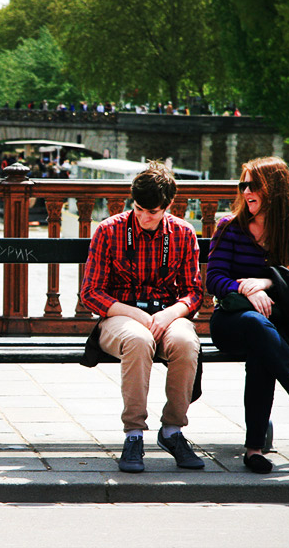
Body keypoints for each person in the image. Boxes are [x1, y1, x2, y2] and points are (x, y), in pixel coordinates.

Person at [207, 157, 289, 474]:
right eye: (243, 185)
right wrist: (246, 289)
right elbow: (213, 278)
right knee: (255, 324)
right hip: (230, 322)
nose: (247, 191)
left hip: (274, 329)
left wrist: (268, 281)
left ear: (275, 189)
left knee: (262, 348)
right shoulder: (230, 227)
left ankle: (254, 449)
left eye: (253, 185)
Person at [81, 161, 205, 473]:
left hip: (165, 314)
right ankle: (134, 433)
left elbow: (193, 292)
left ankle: (172, 431)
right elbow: (91, 292)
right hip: (120, 316)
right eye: (138, 209)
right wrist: (133, 312)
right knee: (138, 339)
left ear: (168, 206)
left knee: (187, 342)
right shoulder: (109, 231)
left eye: (152, 212)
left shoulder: (183, 233)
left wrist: (171, 313)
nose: (144, 217)